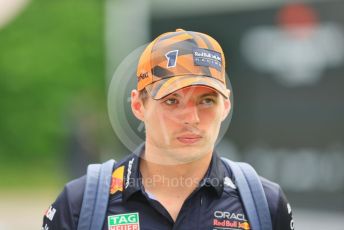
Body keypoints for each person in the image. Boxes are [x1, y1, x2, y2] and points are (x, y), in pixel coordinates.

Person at [42, 29, 294, 230]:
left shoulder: (265, 204)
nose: (191, 118)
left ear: (225, 105)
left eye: (206, 100)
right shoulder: (81, 203)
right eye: (172, 101)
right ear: (139, 105)